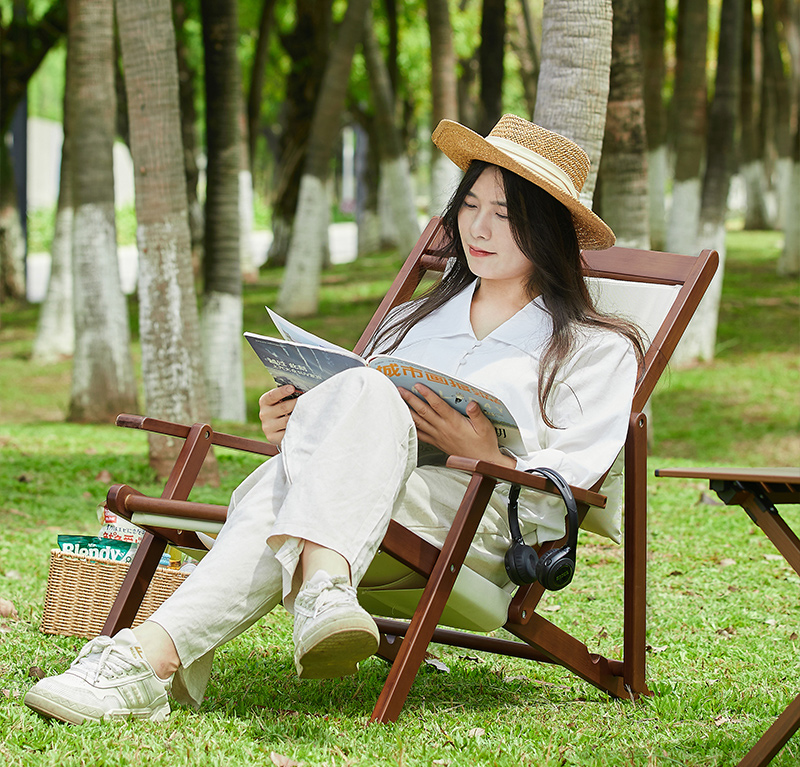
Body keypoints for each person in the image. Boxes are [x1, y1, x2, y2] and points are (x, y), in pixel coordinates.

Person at [24, 115, 644, 724]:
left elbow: (575, 483)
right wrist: (295, 424)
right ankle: (299, 602)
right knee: (353, 402)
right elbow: (355, 423)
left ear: (549, 231)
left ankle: (135, 662)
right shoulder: (416, 322)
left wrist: (488, 455)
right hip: (366, 511)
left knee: (308, 460)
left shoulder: (594, 346)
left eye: (506, 215)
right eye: (469, 205)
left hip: (472, 526)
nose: (479, 227)